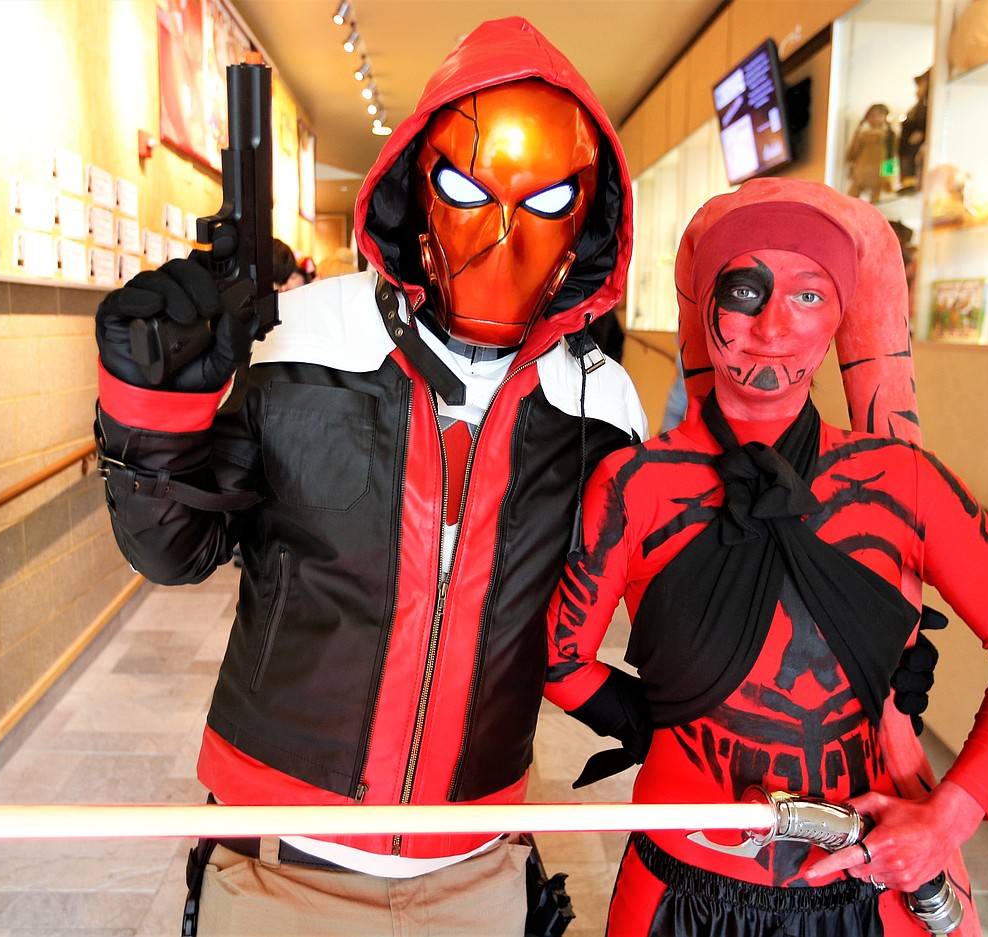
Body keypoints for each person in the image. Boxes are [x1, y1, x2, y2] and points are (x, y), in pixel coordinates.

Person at [92, 17, 645, 936]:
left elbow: (601, 607)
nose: (501, 231)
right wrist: (151, 409)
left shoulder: (601, 403)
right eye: (469, 188)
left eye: (545, 203)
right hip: (282, 863)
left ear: (587, 217)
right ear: (418, 187)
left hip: (475, 868)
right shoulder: (302, 336)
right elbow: (175, 549)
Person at [543, 178, 988, 936]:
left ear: (842, 316)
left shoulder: (904, 481)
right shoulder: (634, 480)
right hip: (676, 884)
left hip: (867, 891)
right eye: (746, 288)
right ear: (709, 306)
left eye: (810, 295)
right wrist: (655, 717)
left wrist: (949, 817)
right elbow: (561, 659)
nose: (772, 325)